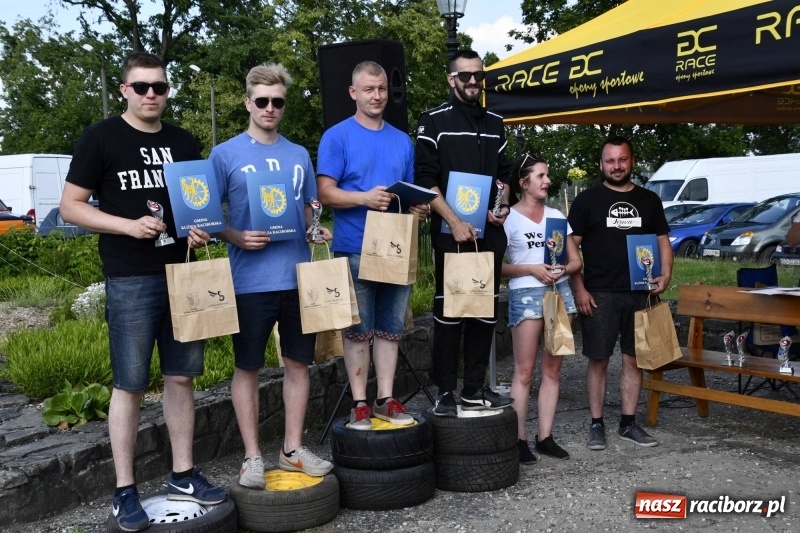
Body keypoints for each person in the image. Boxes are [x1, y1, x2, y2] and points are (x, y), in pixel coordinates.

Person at [59, 52, 226, 532]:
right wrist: (128, 226)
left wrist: (200, 230)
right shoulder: (100, 137)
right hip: (130, 276)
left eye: (160, 86)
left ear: (168, 91)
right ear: (125, 90)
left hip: (182, 273)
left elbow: (196, 204)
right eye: (141, 86)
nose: (151, 94)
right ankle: (124, 490)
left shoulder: (183, 141)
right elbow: (71, 207)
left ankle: (183, 475)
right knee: (129, 384)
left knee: (181, 377)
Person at [209, 63, 334, 489]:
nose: (269, 108)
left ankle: (292, 450)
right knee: (247, 367)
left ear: (284, 105)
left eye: (277, 102)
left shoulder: (299, 155)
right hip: (249, 281)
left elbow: (308, 211)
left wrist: (316, 229)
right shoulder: (225, 154)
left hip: (297, 278)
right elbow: (206, 214)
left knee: (298, 364)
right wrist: (236, 237)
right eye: (261, 100)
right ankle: (252, 457)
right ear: (247, 102)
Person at [317, 61, 429, 430]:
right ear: (354, 92)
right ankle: (359, 402)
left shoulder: (402, 140)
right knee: (358, 331)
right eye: (368, 89)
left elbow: (409, 193)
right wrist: (364, 198)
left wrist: (417, 209)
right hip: (354, 247)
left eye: (381, 89)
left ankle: (385, 398)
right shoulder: (337, 136)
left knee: (391, 329)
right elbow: (325, 193)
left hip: (395, 247)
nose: (377, 95)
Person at [415, 49, 514, 416]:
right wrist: (454, 222)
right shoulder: (433, 121)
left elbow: (504, 174)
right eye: (465, 75)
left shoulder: (496, 122)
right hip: (451, 234)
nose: (473, 81)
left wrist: (503, 205)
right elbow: (425, 179)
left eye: (478, 75)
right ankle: (445, 392)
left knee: (484, 313)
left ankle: (473, 389)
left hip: (488, 235)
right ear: (451, 79)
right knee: (450, 313)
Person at [567, 135, 673, 451]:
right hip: (599, 293)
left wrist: (667, 274)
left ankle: (628, 423)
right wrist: (579, 289)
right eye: (610, 160)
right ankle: (596, 424)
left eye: (622, 159)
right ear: (601, 164)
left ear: (632, 162)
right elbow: (570, 246)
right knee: (598, 360)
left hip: (641, 292)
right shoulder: (586, 200)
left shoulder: (649, 200)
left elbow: (663, 241)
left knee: (634, 359)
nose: (616, 166)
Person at [502, 153, 581, 463]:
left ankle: (545, 437)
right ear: (524, 183)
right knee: (523, 372)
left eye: (547, 175)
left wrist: (563, 270)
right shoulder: (508, 217)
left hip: (559, 292)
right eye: (540, 176)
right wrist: (531, 269)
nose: (547, 181)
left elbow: (575, 261)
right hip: (525, 293)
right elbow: (494, 266)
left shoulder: (557, 216)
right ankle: (518, 440)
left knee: (553, 370)